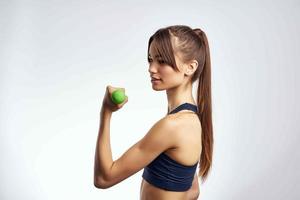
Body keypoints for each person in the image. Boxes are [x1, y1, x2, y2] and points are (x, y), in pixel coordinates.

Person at [94, 25, 214, 200]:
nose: (151, 68)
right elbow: (193, 190)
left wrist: (105, 112)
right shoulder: (191, 120)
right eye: (150, 59)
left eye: (162, 60)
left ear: (190, 67)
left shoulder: (173, 126)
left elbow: (104, 178)